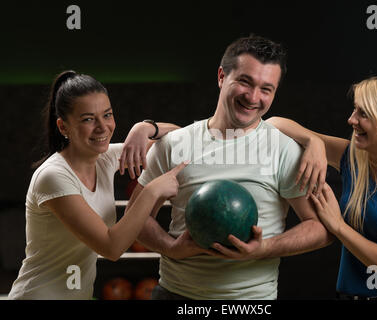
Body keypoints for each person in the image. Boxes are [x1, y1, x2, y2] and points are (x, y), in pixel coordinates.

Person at [126, 35, 334, 300]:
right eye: (245, 82)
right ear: (222, 76)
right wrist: (170, 247)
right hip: (175, 295)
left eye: (266, 89)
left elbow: (320, 228)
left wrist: (265, 248)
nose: (253, 97)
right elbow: (135, 216)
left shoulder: (284, 149)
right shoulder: (173, 144)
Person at [267, 74, 377, 300]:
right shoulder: (353, 158)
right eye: (355, 109)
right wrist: (312, 142)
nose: (351, 119)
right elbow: (274, 124)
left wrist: (338, 226)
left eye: (363, 113)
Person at [8, 70, 184, 300]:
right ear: (63, 127)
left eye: (107, 115)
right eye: (88, 119)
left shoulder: (105, 158)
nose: (102, 127)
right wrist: (152, 192)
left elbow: (180, 139)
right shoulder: (53, 177)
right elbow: (112, 247)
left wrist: (145, 128)